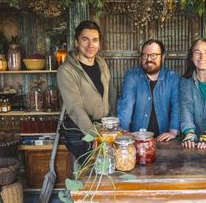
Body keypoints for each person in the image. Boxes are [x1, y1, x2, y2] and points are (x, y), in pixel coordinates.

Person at [57, 20, 116, 163]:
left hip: (102, 128)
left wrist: (112, 124)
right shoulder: (67, 70)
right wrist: (96, 137)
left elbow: (111, 93)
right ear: (76, 42)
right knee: (89, 175)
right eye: (85, 39)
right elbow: (75, 109)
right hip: (80, 133)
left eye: (95, 40)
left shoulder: (101, 63)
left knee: (108, 171)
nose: (91, 45)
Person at [117, 39, 180, 142]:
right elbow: (126, 105)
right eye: (145, 55)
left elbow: (176, 106)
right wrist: (124, 132)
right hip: (137, 138)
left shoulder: (172, 78)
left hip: (164, 139)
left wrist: (173, 132)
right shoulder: (132, 76)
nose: (149, 59)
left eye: (154, 55)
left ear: (162, 57)